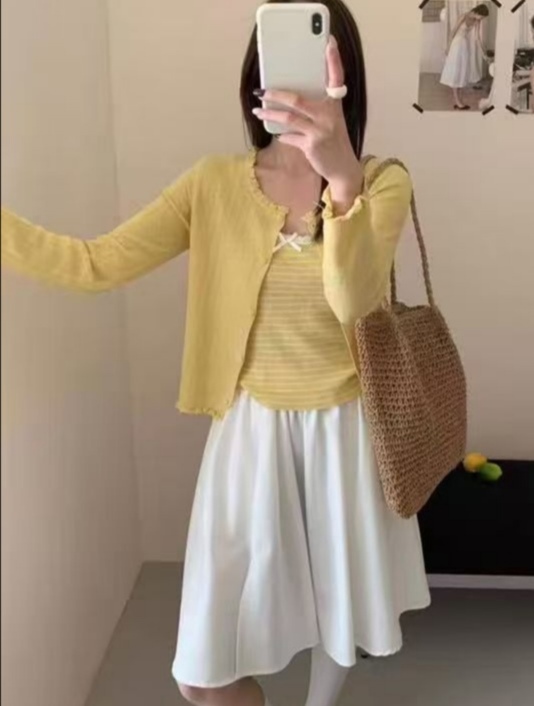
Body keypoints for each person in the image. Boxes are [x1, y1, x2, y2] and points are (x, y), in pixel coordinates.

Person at [1, 1, 432, 705]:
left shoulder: (383, 182)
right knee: (201, 677)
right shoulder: (212, 183)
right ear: (256, 76)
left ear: (345, 79)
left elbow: (354, 302)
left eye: (318, 61)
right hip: (251, 433)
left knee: (338, 620)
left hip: (345, 432)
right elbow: (92, 263)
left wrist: (343, 185)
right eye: (278, 58)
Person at [440, 3, 491, 110]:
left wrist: (484, 54)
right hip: (456, 45)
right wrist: (448, 47)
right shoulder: (464, 16)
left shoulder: (477, 21)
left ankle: (459, 101)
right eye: (481, 17)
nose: (481, 19)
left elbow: (477, 38)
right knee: (455, 73)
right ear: (478, 12)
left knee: (461, 73)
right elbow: (453, 31)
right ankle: (458, 102)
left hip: (464, 46)